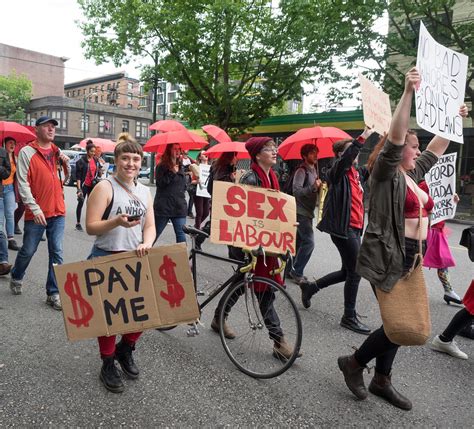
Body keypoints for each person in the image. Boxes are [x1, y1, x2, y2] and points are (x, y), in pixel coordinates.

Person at [337, 68, 468, 411]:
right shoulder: (385, 173)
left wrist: (452, 120)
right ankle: (354, 363)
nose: (418, 149)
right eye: (414, 145)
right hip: (387, 255)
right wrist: (408, 94)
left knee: (400, 321)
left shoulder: (412, 174)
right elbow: (395, 139)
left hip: (412, 255)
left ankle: (382, 379)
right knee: (399, 325)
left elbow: (437, 148)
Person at [211, 137, 302, 360]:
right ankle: (279, 341)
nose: (274, 152)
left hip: (266, 245)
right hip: (249, 245)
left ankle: (218, 318)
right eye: (268, 149)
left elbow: (272, 211)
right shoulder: (251, 178)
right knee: (263, 290)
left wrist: (288, 222)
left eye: (274, 148)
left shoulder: (274, 176)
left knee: (242, 283)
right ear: (257, 154)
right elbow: (243, 215)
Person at [85, 132, 155, 393]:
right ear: (116, 160)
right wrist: (116, 221)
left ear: (141, 162)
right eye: (125, 158)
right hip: (106, 256)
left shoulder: (145, 191)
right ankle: (107, 362)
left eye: (136, 159)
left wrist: (147, 242)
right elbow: (91, 227)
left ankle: (125, 349)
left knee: (143, 311)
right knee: (109, 317)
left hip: (135, 257)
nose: (131, 164)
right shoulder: (105, 187)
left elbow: (150, 226)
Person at [300, 126, 374, 335]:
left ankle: (311, 287)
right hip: (342, 229)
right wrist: (363, 137)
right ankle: (348, 316)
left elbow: (376, 162)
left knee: (347, 271)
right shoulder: (336, 172)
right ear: (341, 155)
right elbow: (347, 157)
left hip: (355, 228)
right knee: (356, 271)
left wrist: (387, 140)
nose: (357, 155)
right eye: (353, 151)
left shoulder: (357, 175)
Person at [9, 116, 70, 310]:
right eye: (47, 126)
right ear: (37, 130)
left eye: (53, 127)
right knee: (28, 250)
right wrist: (34, 208)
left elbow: (63, 181)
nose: (51, 129)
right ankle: (17, 275)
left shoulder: (56, 151)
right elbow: (23, 183)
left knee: (57, 252)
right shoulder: (27, 152)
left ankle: (53, 293)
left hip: (58, 211)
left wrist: (66, 167)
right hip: (37, 212)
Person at [419, 181, 463, 305]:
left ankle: (448, 291)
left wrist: (453, 201)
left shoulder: (446, 186)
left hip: (438, 229)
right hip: (426, 228)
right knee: (414, 261)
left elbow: (446, 208)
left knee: (442, 261)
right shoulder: (424, 185)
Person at [287, 144, 321, 285]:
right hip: (300, 211)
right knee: (309, 243)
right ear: (304, 156)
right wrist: (313, 187)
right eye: (312, 153)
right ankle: (297, 272)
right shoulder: (302, 171)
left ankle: (289, 269)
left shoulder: (314, 171)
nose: (315, 155)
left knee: (299, 242)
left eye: (316, 153)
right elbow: (297, 191)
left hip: (308, 211)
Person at [154, 143, 187, 243]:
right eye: (175, 149)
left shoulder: (181, 166)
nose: (178, 151)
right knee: (154, 233)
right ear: (169, 150)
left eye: (179, 149)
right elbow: (160, 184)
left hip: (179, 207)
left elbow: (183, 184)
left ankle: (182, 258)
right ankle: (141, 255)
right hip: (164, 207)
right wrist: (172, 172)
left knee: (181, 234)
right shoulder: (162, 166)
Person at [75, 141, 101, 231]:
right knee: (81, 203)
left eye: (94, 151)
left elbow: (98, 173)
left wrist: (100, 170)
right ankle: (78, 223)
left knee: (91, 205)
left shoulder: (96, 160)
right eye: (91, 151)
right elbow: (78, 177)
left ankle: (90, 222)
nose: (93, 153)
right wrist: (79, 190)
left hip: (92, 185)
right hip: (84, 185)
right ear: (87, 151)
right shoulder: (81, 161)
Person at [3, 138, 20, 251]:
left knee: (10, 213)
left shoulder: (16, 158)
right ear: (4, 144)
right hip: (0, 188)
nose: (12, 145)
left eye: (14, 143)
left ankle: (10, 239)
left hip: (9, 189)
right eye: (10, 143)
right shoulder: (1, 156)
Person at [189, 151, 210, 230]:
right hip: (198, 191)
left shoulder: (210, 167)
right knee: (200, 212)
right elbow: (192, 181)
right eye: (203, 154)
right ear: (200, 157)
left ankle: (195, 226)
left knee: (206, 212)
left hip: (207, 192)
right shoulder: (196, 167)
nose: (205, 155)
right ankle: (197, 229)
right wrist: (197, 181)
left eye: (206, 154)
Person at [0, 140, 12, 275]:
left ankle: (3, 262)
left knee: (0, 229)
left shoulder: (3, 152)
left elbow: (7, 173)